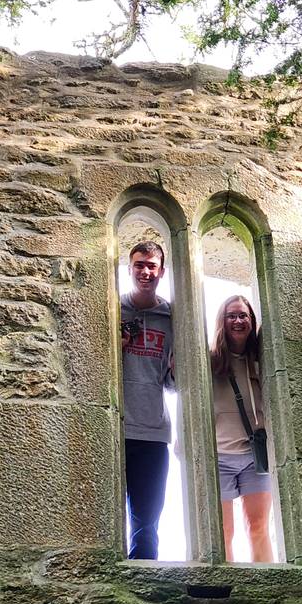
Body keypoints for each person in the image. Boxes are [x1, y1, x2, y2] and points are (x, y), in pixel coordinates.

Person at [120, 240, 174, 559]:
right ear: (130, 269)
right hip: (116, 430)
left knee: (147, 523)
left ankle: (143, 592)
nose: (145, 271)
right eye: (139, 265)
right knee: (104, 519)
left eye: (151, 266)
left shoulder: (172, 317)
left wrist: (177, 370)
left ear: (162, 272)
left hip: (153, 433)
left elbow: (172, 382)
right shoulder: (113, 308)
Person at [210, 294, 273, 563]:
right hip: (220, 456)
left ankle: (269, 586)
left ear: (252, 321)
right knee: (223, 531)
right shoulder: (210, 361)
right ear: (222, 322)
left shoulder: (262, 361)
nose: (238, 321)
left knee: (258, 528)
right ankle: (228, 587)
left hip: (254, 457)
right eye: (231, 315)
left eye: (243, 316)